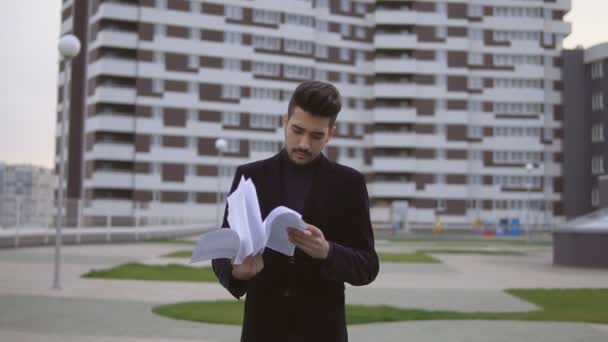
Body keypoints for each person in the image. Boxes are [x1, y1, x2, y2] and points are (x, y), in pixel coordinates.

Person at [212, 81, 379, 342]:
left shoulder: (350, 184)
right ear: (284, 121)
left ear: (331, 133)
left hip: (323, 332)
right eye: (297, 130)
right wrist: (236, 272)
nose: (303, 143)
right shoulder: (249, 177)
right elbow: (222, 254)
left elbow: (368, 265)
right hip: (261, 330)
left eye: (316, 136)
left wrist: (328, 252)